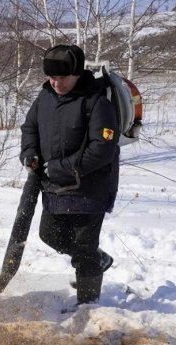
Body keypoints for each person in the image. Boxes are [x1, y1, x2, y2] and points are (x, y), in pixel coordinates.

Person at [19, 44, 119, 307]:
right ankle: (97, 260)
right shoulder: (45, 97)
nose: (56, 83)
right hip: (54, 186)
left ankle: (87, 306)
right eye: (52, 78)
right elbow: (29, 128)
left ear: (76, 73)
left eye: (62, 78)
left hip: (91, 187)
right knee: (49, 234)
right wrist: (29, 155)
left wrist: (61, 168)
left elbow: (102, 149)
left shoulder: (98, 102)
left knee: (84, 247)